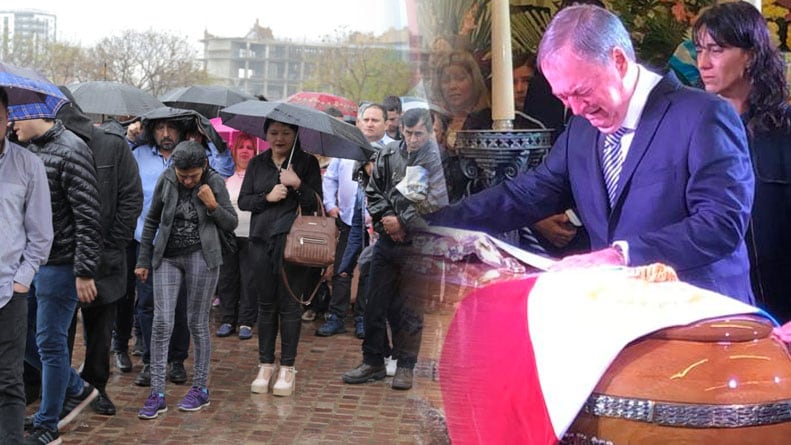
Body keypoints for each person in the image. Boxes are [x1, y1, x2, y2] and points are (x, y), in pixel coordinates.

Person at [426, 4, 755, 303]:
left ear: (619, 61)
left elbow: (720, 224)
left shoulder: (703, 115)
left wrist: (619, 255)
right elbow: (524, 194)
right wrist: (432, 226)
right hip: (620, 320)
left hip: (703, 320)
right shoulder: (582, 130)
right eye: (563, 96)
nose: (575, 109)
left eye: (581, 91)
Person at [694, 2, 791, 321]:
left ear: (750, 54)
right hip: (715, 307)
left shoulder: (784, 130)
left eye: (717, 50)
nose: (704, 63)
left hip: (781, 304)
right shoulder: (691, 128)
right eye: (700, 50)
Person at [343, 108, 449, 391]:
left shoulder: (436, 159)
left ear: (429, 131)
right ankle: (374, 359)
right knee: (374, 302)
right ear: (400, 129)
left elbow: (435, 201)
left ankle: (405, 365)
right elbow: (373, 189)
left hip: (418, 243)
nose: (413, 139)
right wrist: (389, 220)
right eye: (408, 132)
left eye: (419, 134)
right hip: (387, 239)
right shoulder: (389, 154)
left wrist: (402, 221)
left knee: (410, 309)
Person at [15, 113, 102, 444]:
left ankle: (48, 425)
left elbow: (88, 216)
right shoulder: (27, 149)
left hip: (62, 264)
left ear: (34, 112)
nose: (10, 126)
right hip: (32, 262)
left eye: (14, 119)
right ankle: (77, 387)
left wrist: (84, 271)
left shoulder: (71, 150)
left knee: (51, 343)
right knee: (24, 339)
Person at [135, 140, 237, 419]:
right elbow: (152, 220)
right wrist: (144, 260)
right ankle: (157, 394)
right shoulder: (167, 179)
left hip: (202, 257)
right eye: (184, 176)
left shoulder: (214, 181)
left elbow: (231, 223)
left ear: (203, 166)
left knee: (197, 321)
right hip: (167, 256)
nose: (188, 181)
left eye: (193, 175)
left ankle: (200, 388)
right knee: (161, 322)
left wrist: (213, 205)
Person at [57, 92, 143, 417]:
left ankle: (95, 387)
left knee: (100, 332)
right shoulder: (44, 146)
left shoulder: (112, 146)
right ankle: (62, 388)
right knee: (57, 332)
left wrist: (108, 248)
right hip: (62, 259)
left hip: (106, 259)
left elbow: (131, 199)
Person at [238, 119, 322, 397]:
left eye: (286, 133)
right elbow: (244, 201)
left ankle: (287, 366)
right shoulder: (257, 163)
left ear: (296, 133)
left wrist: (297, 184)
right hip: (261, 243)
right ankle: (265, 364)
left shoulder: (306, 163)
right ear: (266, 135)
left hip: (293, 245)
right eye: (274, 133)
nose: (279, 138)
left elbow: (315, 203)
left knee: (289, 306)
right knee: (265, 305)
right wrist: (268, 197)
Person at [0, 87, 53, 445]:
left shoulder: (28, 164)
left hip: (8, 292)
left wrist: (22, 281)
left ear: (7, 118)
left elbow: (41, 234)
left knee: (8, 379)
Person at [216, 133, 258, 340]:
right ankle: (227, 319)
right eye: (241, 147)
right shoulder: (224, 176)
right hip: (228, 235)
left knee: (249, 279)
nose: (244, 151)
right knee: (227, 279)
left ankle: (246, 321)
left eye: (249, 148)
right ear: (233, 150)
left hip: (251, 235)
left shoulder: (259, 177)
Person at [432, 50, 490, 137]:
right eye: (446, 80)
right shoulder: (435, 120)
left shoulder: (487, 120)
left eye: (460, 78)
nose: (452, 86)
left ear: (474, 81)